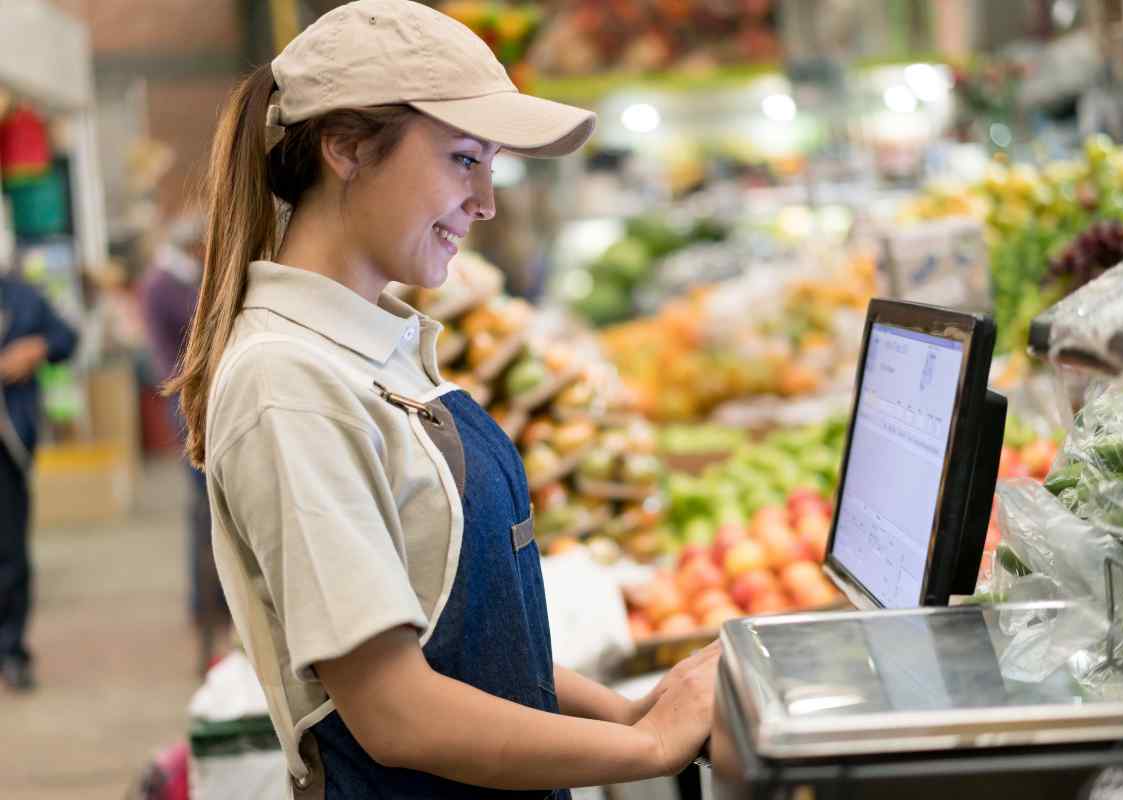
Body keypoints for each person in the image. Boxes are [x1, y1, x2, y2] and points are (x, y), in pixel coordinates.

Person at [166, 2, 719, 797]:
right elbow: (398, 712)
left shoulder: (374, 347)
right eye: (464, 159)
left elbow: (452, 641)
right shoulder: (290, 384)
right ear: (347, 149)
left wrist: (629, 714)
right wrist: (651, 750)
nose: (486, 200)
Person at [139, 214, 230, 673]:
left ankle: (216, 603)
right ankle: (208, 605)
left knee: (210, 509)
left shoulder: (178, 278)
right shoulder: (164, 283)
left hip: (199, 395)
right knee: (204, 510)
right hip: (189, 400)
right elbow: (185, 339)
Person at [0, 270, 79, 691]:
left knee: (11, 556)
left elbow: (68, 338)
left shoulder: (22, 295)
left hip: (8, 447)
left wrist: (38, 348)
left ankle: (11, 650)